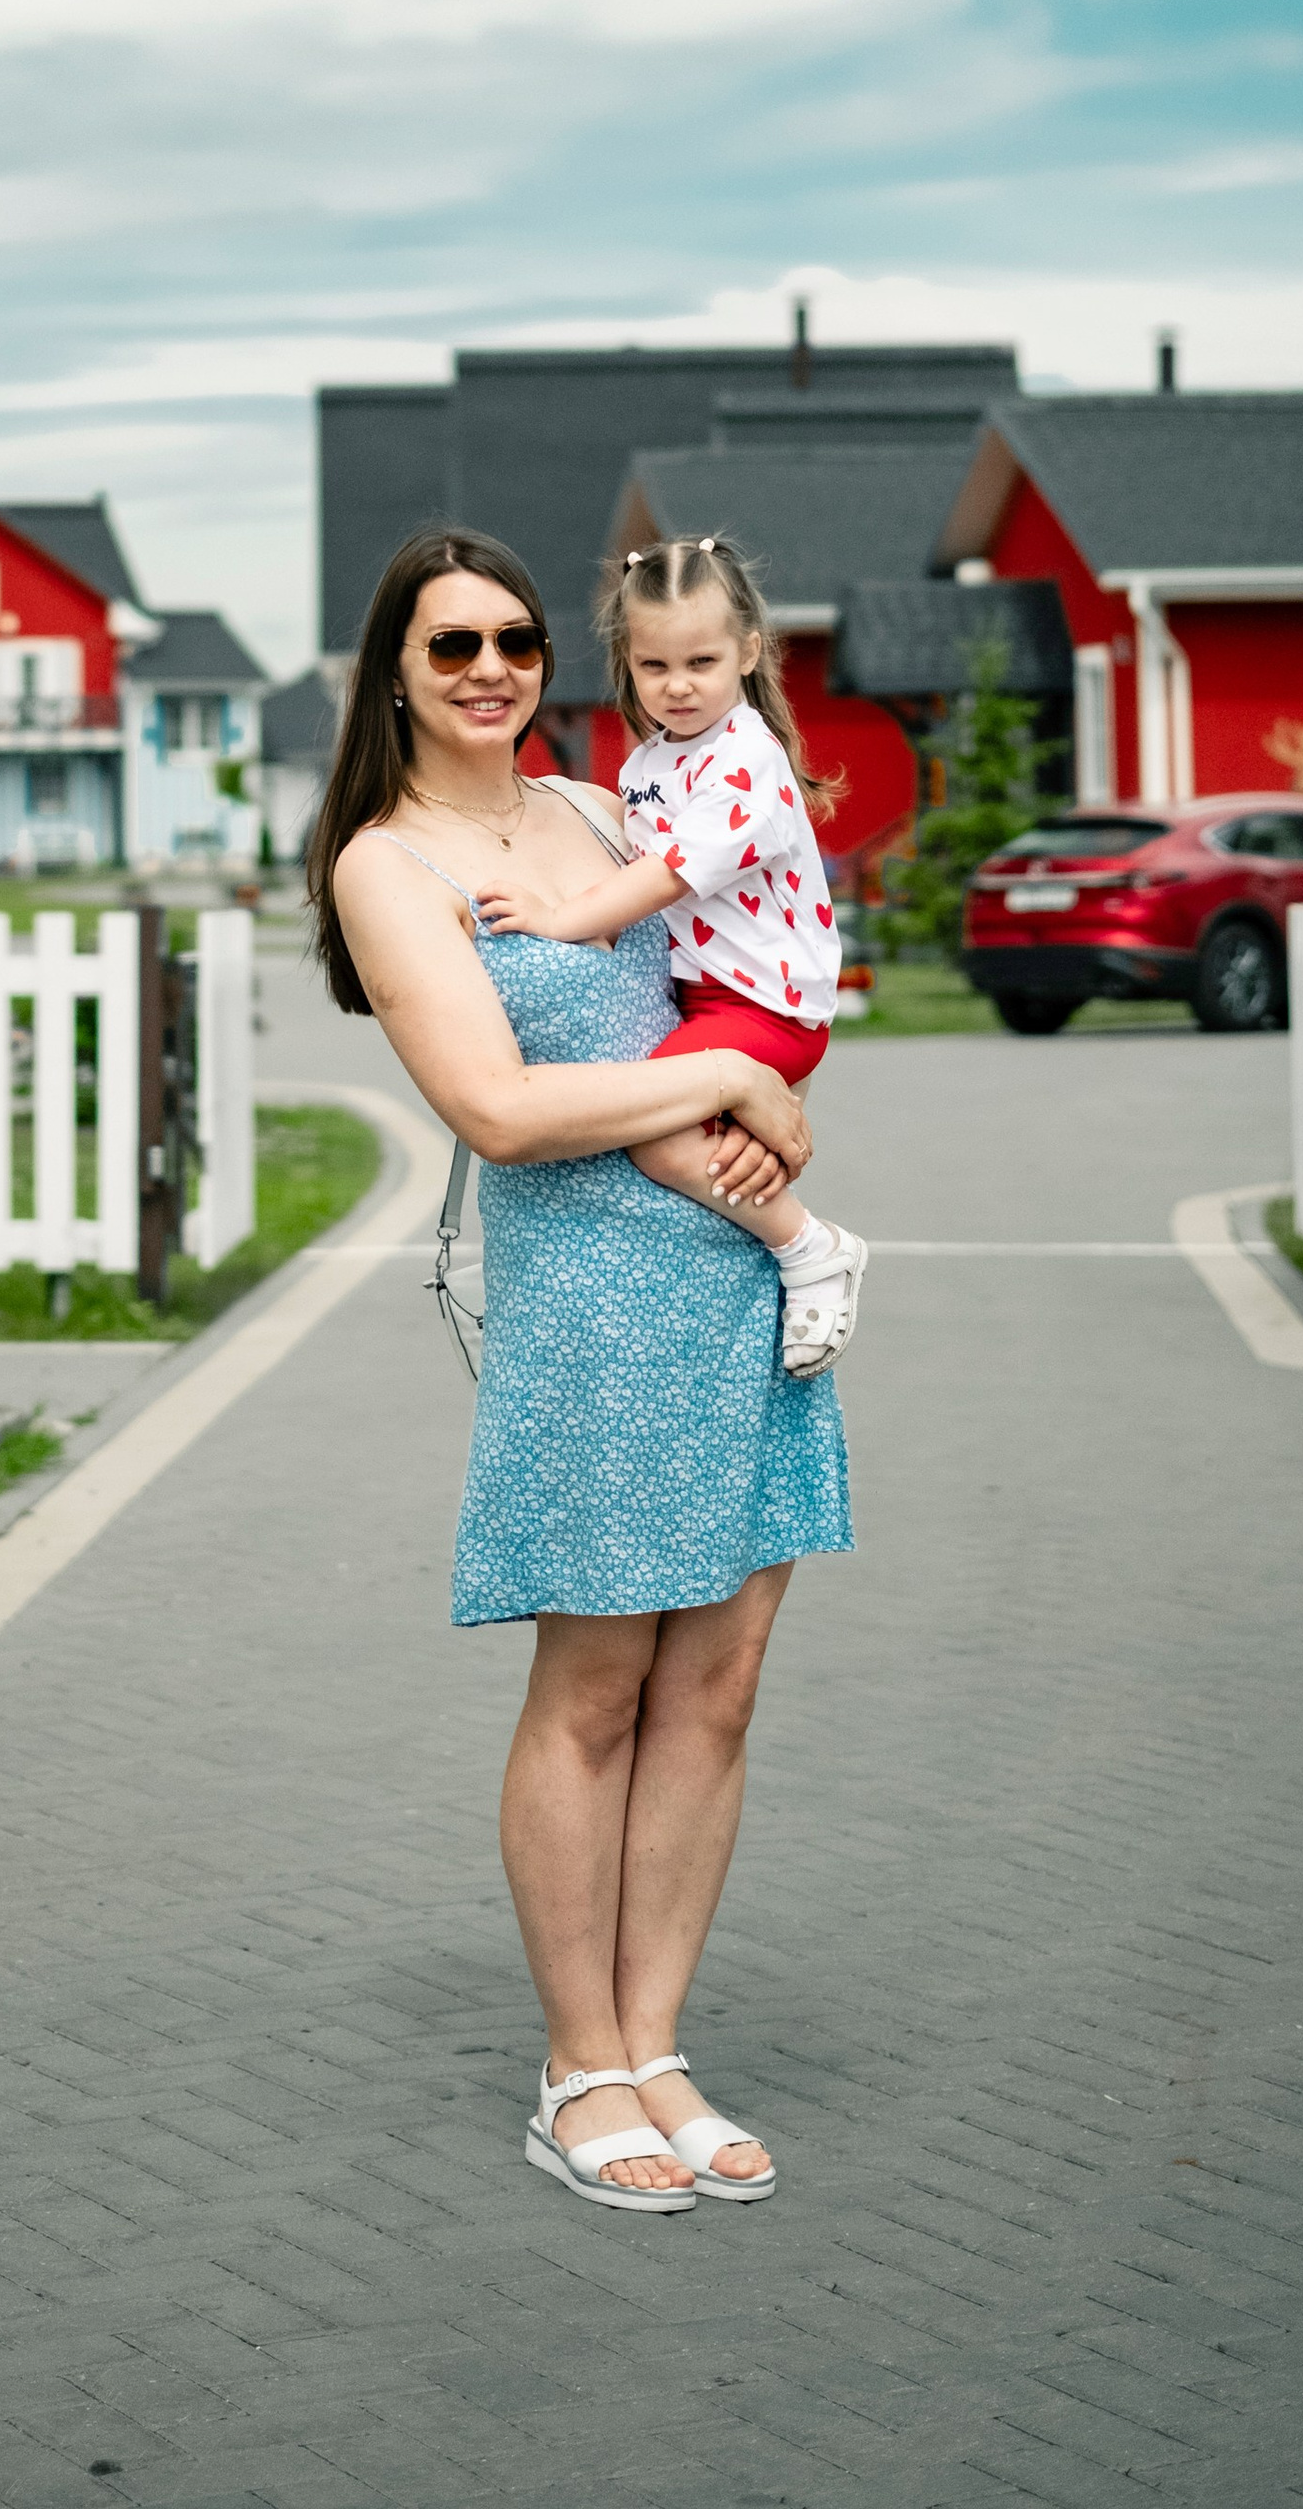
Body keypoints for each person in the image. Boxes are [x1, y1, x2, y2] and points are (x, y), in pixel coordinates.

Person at [313, 526, 853, 2218]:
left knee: (718, 1688)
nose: (491, 670)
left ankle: (659, 2047)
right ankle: (578, 2067)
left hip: (740, 1286)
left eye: (517, 641)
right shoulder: (386, 865)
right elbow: (500, 1109)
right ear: (396, 673)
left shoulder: (608, 809)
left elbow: (735, 975)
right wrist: (729, 1097)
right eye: (452, 644)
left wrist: (766, 1092)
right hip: (595, 1313)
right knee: (598, 1692)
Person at [477, 532, 868, 1377]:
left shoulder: (747, 759)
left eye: (702, 662)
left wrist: (560, 919)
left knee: (658, 1141)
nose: (678, 685)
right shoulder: (651, 763)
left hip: (765, 1004)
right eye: (654, 666)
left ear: (748, 652)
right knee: (716, 1144)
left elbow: (663, 876)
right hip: (709, 998)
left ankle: (811, 1248)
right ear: (628, 662)